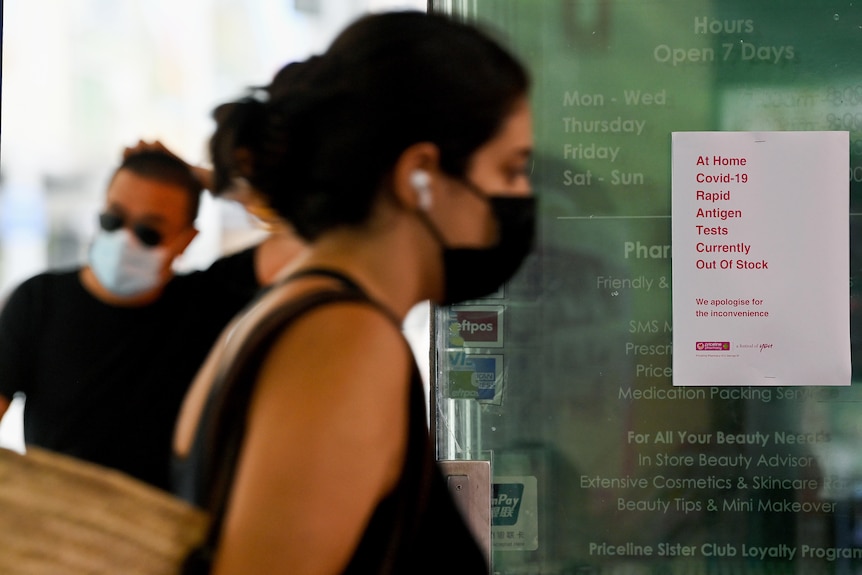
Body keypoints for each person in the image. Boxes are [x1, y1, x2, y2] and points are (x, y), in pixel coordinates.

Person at [172, 10, 534, 574]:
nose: (522, 197)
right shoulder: (343, 343)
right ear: (420, 175)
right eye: (511, 170)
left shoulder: (293, 312)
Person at [0, 145, 305, 491]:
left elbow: (309, 237)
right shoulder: (39, 301)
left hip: (163, 530)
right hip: (60, 526)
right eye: (113, 219)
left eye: (149, 232)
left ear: (186, 240)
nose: (124, 239)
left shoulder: (207, 299)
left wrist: (212, 179)